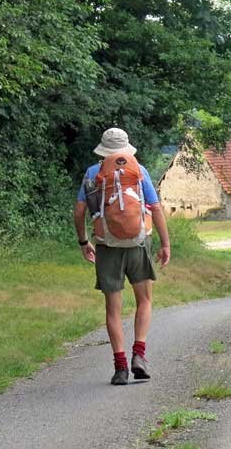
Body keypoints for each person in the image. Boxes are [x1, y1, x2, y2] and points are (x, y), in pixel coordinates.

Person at [73, 127, 172, 385]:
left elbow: (79, 211)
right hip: (139, 243)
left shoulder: (93, 173)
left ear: (103, 149)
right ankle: (139, 355)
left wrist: (84, 241)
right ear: (127, 148)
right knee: (145, 300)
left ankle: (120, 367)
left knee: (113, 309)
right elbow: (156, 208)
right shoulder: (139, 171)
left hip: (107, 247)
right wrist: (165, 243)